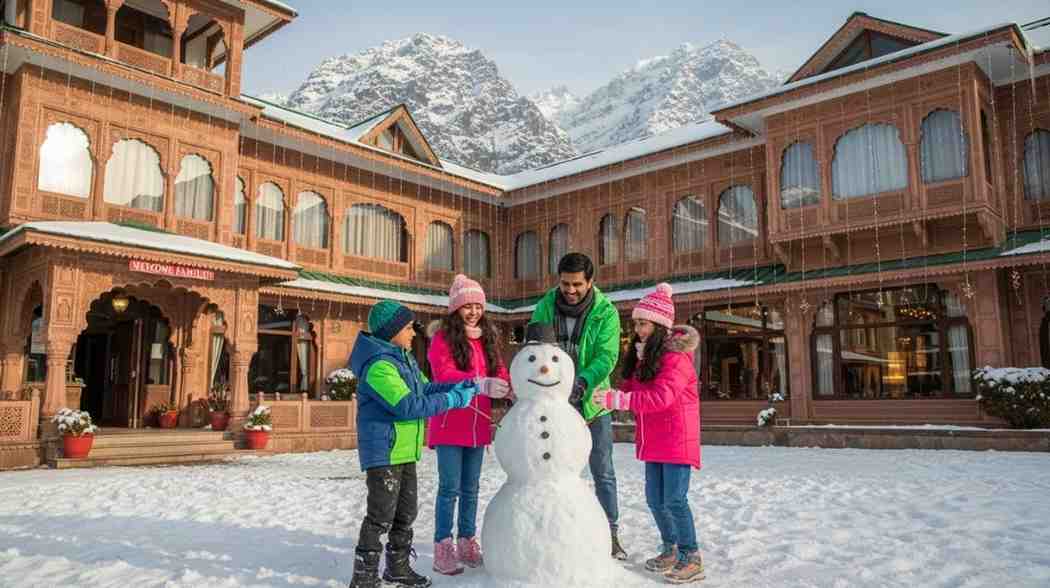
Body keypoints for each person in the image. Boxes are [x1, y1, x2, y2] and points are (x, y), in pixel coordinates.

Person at [347, 299, 479, 588]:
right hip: (384, 451)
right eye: (408, 327)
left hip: (405, 449)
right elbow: (408, 405)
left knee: (406, 512)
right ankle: (364, 576)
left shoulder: (402, 358)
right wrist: (453, 401)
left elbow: (424, 387)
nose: (413, 333)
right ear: (390, 331)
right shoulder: (379, 367)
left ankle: (397, 567)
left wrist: (457, 385)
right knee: (381, 515)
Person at [592, 283, 704, 584]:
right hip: (654, 438)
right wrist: (609, 392)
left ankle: (691, 554)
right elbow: (633, 390)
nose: (637, 329)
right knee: (655, 499)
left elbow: (661, 397)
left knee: (675, 499)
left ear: (660, 325)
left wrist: (622, 400)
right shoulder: (646, 357)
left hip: (677, 438)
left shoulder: (676, 359)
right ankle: (670, 547)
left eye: (643, 323)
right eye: (636, 323)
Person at [530, 252, 627, 560]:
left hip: (593, 404)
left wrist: (583, 381)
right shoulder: (546, 305)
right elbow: (536, 348)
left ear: (590, 282)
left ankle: (610, 533)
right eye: (564, 284)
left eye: (577, 285)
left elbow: (607, 356)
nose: (570, 291)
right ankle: (553, 532)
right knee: (551, 471)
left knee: (603, 471)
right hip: (555, 403)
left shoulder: (606, 312)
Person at [426, 274, 511, 575]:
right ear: (455, 309)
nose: (474, 311)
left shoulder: (488, 338)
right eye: (467, 306)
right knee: (449, 488)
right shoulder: (442, 339)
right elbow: (443, 374)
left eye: (478, 305)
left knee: (471, 488)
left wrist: (503, 384)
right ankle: (442, 546)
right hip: (450, 423)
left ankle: (466, 540)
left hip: (478, 425)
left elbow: (499, 368)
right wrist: (476, 383)